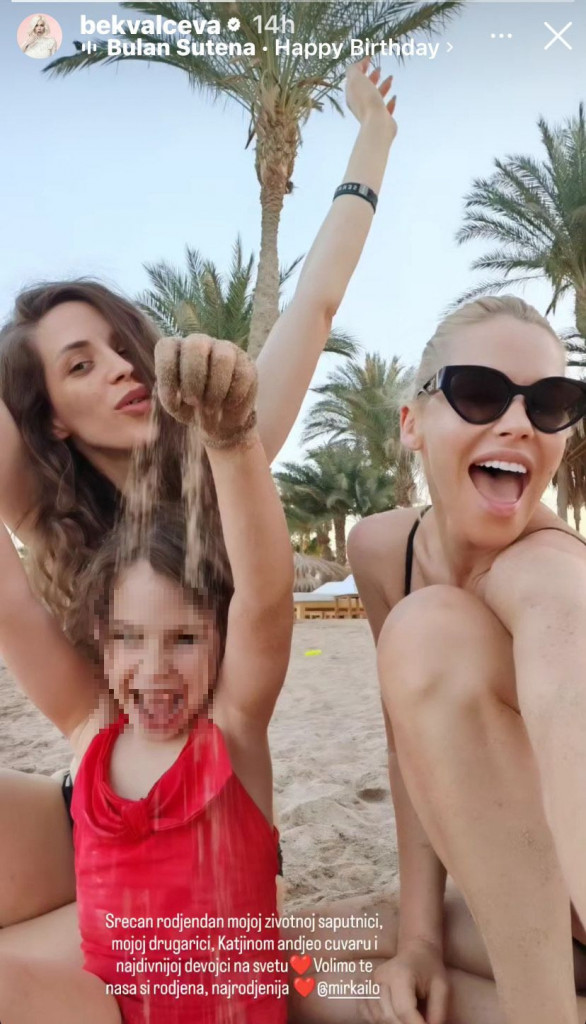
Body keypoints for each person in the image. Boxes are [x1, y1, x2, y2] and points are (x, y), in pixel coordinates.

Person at [0, 58, 397, 963]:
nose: (120, 368)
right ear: (48, 417)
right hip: (96, 807)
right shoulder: (44, 515)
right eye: (80, 365)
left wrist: (372, 141)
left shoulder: (224, 453)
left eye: (120, 344)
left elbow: (315, 303)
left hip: (216, 811)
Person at [286, 297, 586, 1024]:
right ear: (411, 424)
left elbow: (568, 687)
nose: (518, 422)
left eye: (550, 403)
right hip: (525, 911)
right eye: (480, 392)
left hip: (565, 914)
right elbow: (410, 748)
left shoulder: (551, 570)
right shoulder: (382, 549)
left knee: (426, 632)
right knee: (277, 963)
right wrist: (418, 940)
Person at [0, 335, 293, 1023]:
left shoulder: (230, 734)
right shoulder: (95, 731)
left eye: (185, 639)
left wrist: (231, 440)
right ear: (101, 642)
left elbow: (264, 596)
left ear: (221, 642)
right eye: (130, 638)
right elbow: (12, 602)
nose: (155, 667)